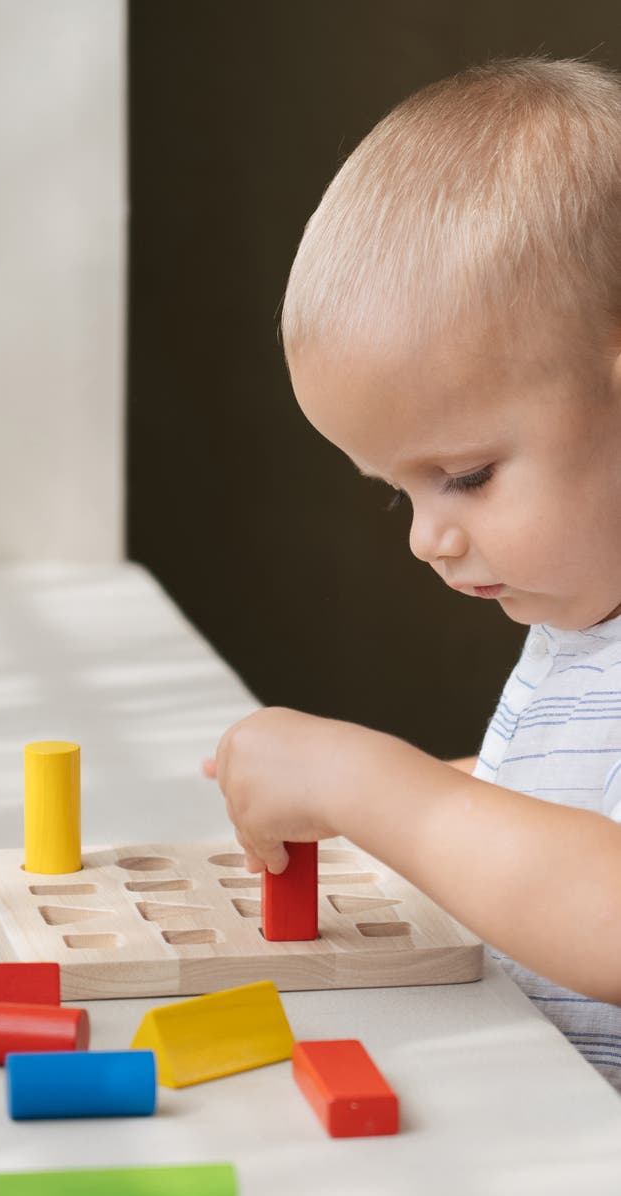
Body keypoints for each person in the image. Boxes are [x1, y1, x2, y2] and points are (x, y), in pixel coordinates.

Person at [203, 57, 621, 1091]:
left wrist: (375, 787)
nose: (428, 537)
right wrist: (374, 807)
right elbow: (566, 804)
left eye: (466, 476)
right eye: (401, 493)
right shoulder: (583, 623)